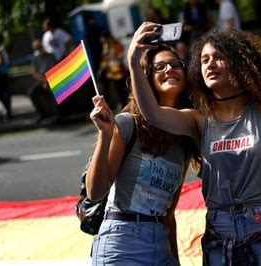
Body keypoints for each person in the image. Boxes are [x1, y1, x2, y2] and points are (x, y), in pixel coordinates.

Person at [128, 23, 261, 265]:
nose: (210, 65)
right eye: (204, 60)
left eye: (219, 57)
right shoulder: (198, 119)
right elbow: (152, 114)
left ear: (238, 63)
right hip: (220, 231)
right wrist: (133, 61)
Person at [86, 43, 200, 265]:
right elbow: (95, 192)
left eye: (175, 64)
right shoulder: (128, 124)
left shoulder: (185, 138)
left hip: (160, 245)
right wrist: (105, 135)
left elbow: (169, 214)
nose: (169, 70)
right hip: (122, 243)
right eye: (160, 67)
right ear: (146, 78)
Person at [29, 40, 58, 124]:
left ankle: (56, 114)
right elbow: (34, 72)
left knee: (53, 92)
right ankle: (42, 114)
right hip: (42, 81)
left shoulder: (50, 56)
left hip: (51, 79)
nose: (39, 50)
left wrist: (47, 81)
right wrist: (43, 81)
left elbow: (53, 69)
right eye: (36, 49)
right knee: (32, 93)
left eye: (40, 47)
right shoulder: (35, 59)